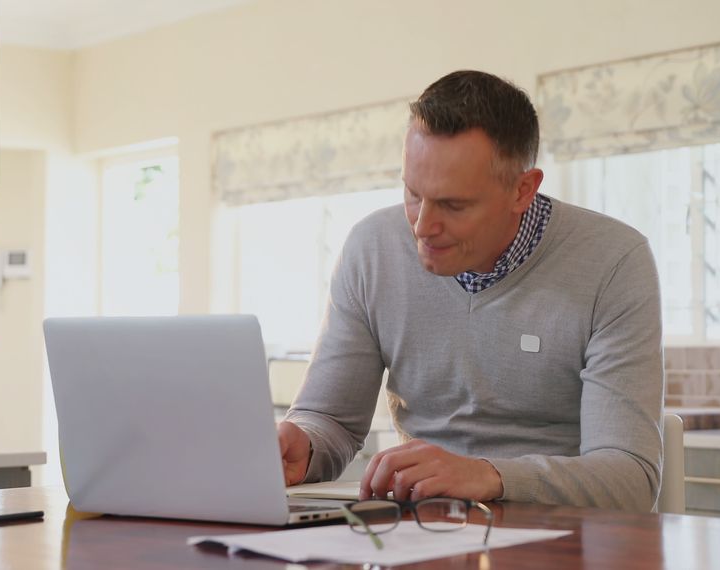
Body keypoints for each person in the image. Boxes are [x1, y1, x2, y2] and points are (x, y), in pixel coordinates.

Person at [277, 70, 664, 512]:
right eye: (413, 194)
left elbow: (630, 478)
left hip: (562, 535)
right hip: (423, 530)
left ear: (522, 190)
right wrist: (302, 445)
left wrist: (487, 475)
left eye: (453, 205)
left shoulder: (614, 261)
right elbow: (330, 420)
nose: (422, 227)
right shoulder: (371, 249)